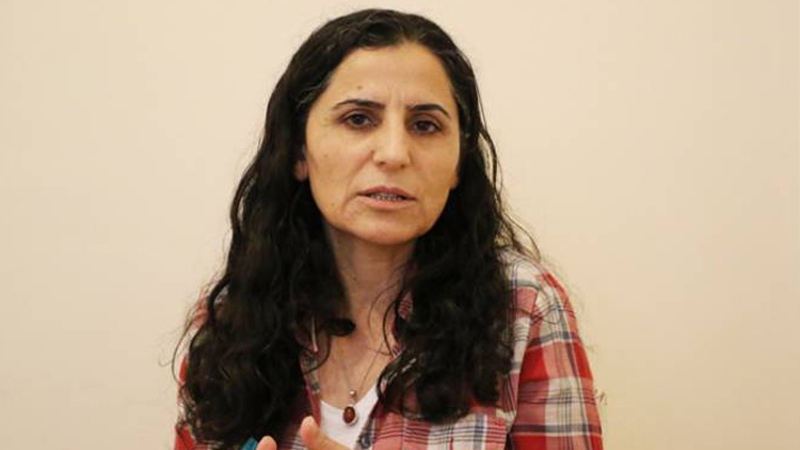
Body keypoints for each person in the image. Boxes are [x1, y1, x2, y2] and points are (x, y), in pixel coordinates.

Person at [173, 8, 603, 450]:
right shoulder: (230, 317)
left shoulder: (524, 308)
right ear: (299, 151)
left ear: (459, 164)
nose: (394, 153)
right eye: (359, 119)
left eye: (425, 125)